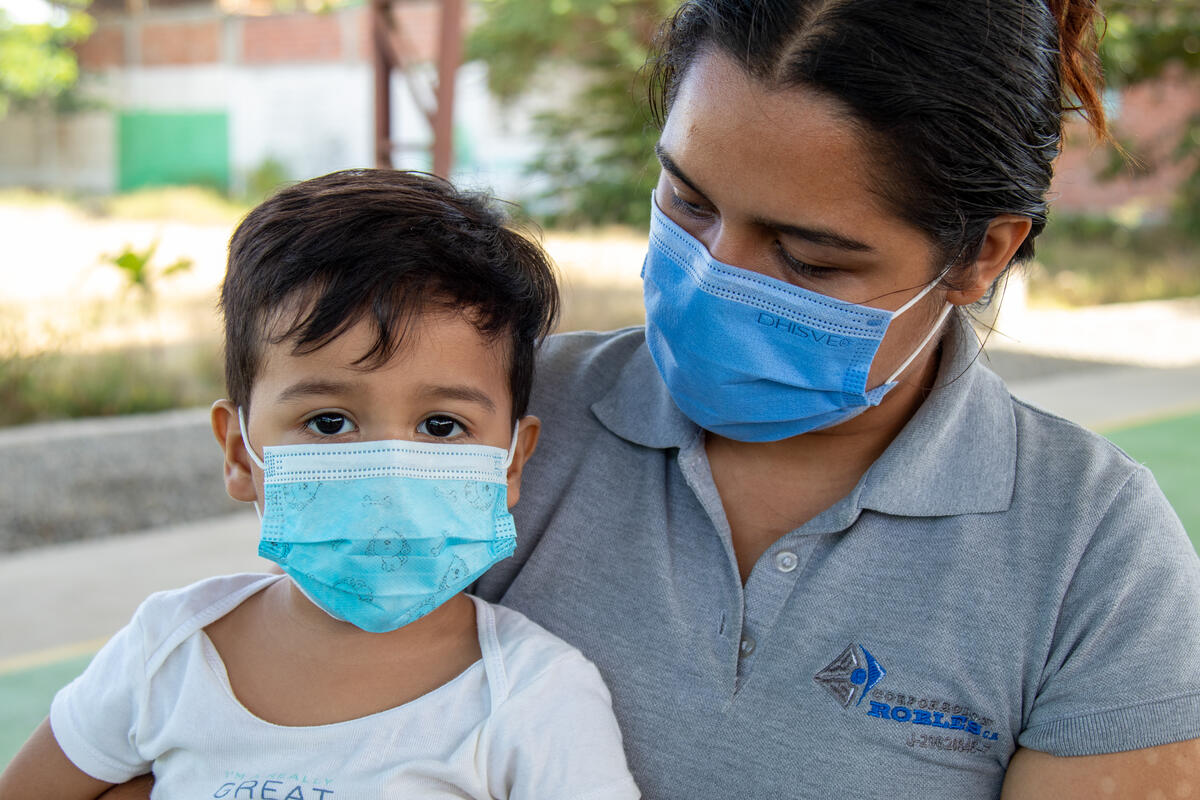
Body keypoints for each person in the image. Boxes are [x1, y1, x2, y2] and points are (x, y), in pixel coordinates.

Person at [468, 0, 1200, 798]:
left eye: (809, 260)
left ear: (982, 253)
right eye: (689, 203)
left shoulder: (1091, 552)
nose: (714, 276)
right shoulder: (485, 420)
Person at [0, 169, 640, 800]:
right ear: (239, 453)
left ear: (512, 462)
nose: (387, 471)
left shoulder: (537, 698)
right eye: (328, 421)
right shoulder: (165, 652)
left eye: (442, 425)